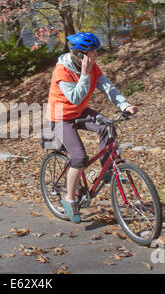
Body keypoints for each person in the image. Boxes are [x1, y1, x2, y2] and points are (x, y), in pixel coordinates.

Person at [47, 32, 138, 223]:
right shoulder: (62, 71)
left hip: (80, 112)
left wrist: (124, 105)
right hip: (61, 117)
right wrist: (85, 75)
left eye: (95, 53)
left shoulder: (93, 68)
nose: (95, 57)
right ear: (79, 55)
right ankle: (69, 199)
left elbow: (107, 88)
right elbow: (75, 98)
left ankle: (107, 172)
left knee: (107, 127)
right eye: (91, 54)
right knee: (79, 158)